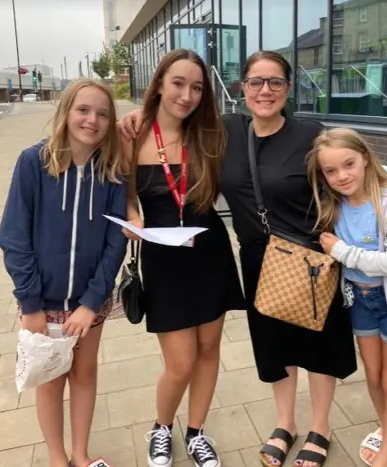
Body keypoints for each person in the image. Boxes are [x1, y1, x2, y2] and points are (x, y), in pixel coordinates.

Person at [118, 50, 387, 467]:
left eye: (275, 82)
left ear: (288, 88)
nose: (265, 91)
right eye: (256, 82)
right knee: (275, 349)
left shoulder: (310, 134)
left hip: (311, 256)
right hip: (258, 258)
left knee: (317, 347)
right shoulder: (223, 131)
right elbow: (170, 119)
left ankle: (320, 428)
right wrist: (136, 114)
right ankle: (284, 424)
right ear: (242, 88)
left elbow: (348, 164)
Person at [119, 48, 244, 467]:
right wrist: (133, 220)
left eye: (196, 87)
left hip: (209, 254)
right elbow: (128, 199)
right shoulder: (132, 135)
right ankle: (161, 427)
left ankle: (196, 433)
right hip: (163, 261)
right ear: (158, 83)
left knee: (209, 352)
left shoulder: (211, 134)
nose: (187, 95)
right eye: (178, 83)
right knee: (181, 363)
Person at [0, 78, 128, 467]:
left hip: (90, 301)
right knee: (50, 379)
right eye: (83, 110)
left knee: (85, 375)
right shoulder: (33, 163)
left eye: (103, 113)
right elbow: (14, 237)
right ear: (66, 112)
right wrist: (31, 303)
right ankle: (57, 457)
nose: (92, 120)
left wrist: (92, 302)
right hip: (44, 301)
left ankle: (81, 454)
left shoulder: (113, 171)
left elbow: (114, 242)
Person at [309, 128, 387, 467]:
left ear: (365, 159)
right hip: (358, 301)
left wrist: (342, 251)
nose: (341, 176)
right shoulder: (332, 200)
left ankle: (386, 457)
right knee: (373, 377)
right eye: (330, 171)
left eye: (349, 164)